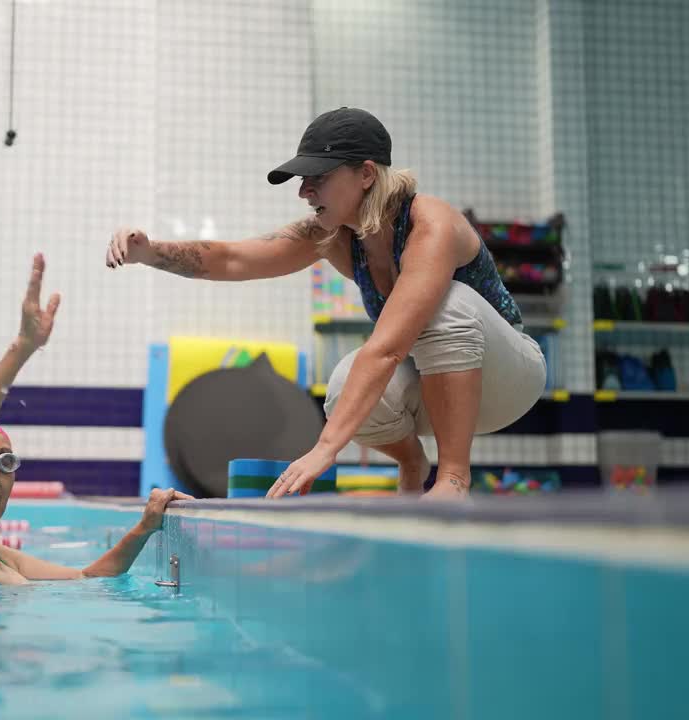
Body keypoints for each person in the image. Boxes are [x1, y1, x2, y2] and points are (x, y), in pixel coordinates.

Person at [106, 107, 546, 500]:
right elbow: (234, 257)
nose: (304, 192)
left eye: (318, 178)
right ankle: (414, 464)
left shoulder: (430, 224)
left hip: (509, 377)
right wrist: (150, 252)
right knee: (341, 388)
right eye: (302, 179)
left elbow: (388, 348)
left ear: (367, 174)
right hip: (439, 390)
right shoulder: (334, 235)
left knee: (446, 305)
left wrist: (324, 449)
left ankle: (453, 478)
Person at [0, 253, 191, 587]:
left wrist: (145, 526)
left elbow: (86, 577)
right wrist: (22, 348)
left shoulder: (3, 557)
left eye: (5, 463)